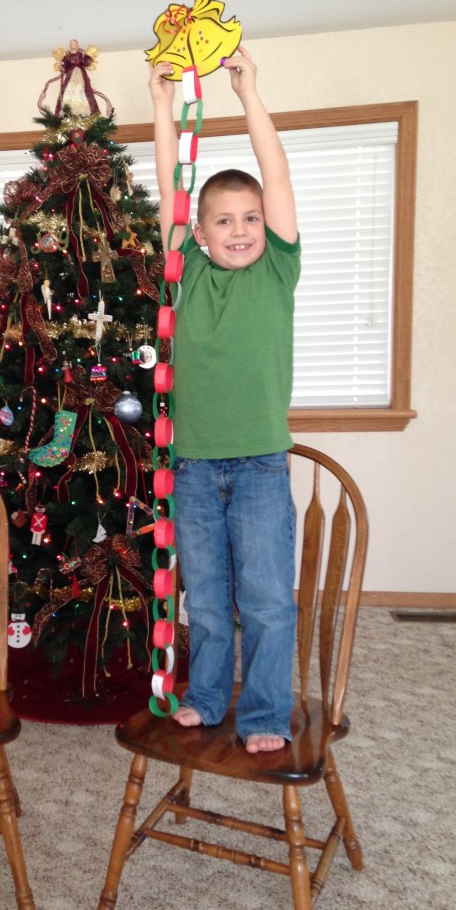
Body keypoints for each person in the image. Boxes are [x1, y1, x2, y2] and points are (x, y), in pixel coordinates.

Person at [149, 46, 300, 754]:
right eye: (224, 221)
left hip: (262, 465)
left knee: (266, 601)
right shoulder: (187, 276)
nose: (240, 230)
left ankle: (264, 712)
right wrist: (162, 107)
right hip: (194, 468)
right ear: (201, 234)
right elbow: (169, 187)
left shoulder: (276, 271)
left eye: (250, 218)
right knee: (206, 600)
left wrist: (249, 94)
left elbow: (277, 174)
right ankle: (207, 697)